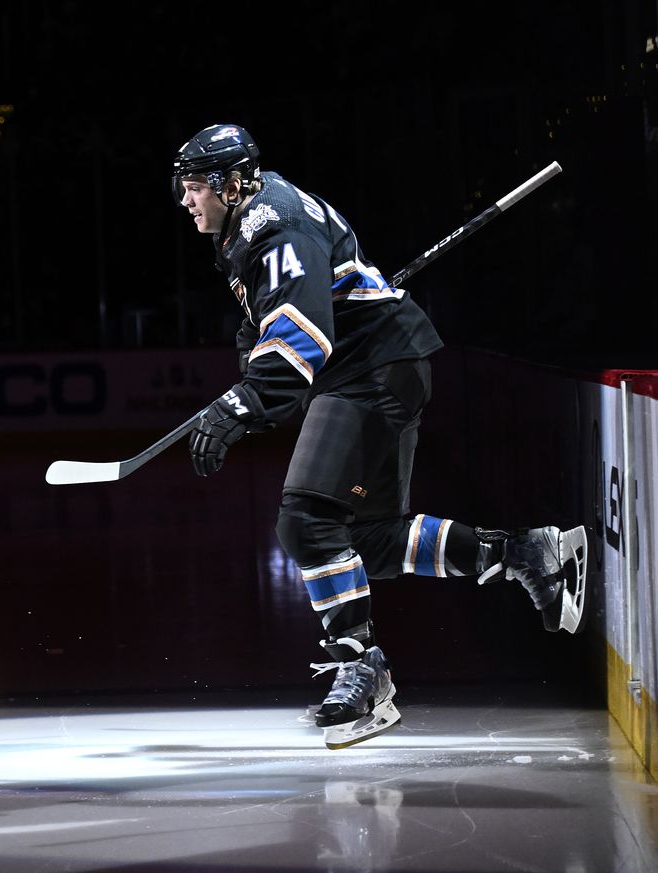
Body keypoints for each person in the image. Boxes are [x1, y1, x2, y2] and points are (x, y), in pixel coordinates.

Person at [172, 124, 587, 749]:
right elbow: (271, 324)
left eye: (196, 186)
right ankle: (527, 554)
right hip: (380, 362)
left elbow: (299, 338)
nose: (186, 199)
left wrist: (243, 404)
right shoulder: (250, 224)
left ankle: (361, 669)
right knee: (364, 537)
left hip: (375, 370)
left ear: (234, 183)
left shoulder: (271, 225)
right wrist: (250, 385)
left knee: (306, 520)